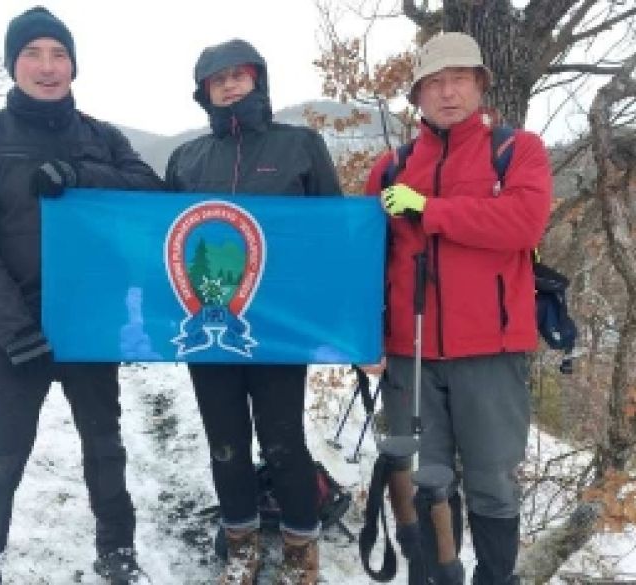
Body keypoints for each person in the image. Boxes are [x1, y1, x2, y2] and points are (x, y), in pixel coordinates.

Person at [0, 6, 163, 584]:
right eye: (33, 54)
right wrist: (15, 330)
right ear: (13, 65)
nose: (47, 67)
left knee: (105, 449)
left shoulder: (103, 137)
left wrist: (78, 174)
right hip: (14, 330)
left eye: (59, 54)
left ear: (74, 65)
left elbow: (150, 194)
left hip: (92, 323)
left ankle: (117, 554)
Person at [363, 32, 552, 584]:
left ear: (480, 86)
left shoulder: (517, 151)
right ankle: (429, 576)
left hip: (491, 351)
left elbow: (523, 222)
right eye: (436, 83)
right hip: (409, 352)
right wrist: (363, 337)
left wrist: (432, 209)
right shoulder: (391, 168)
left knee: (493, 480)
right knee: (427, 480)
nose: (449, 93)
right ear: (418, 96)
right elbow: (364, 258)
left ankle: (495, 578)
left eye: (460, 80)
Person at [165, 39, 342, 585]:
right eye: (217, 80)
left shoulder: (301, 146)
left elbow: (333, 232)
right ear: (204, 93)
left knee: (284, 441)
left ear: (257, 80)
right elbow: (159, 237)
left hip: (281, 330)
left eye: (238, 75)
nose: (229, 85)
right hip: (206, 330)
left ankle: (299, 550)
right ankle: (240, 542)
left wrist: (335, 319)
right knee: (225, 442)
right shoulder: (187, 159)